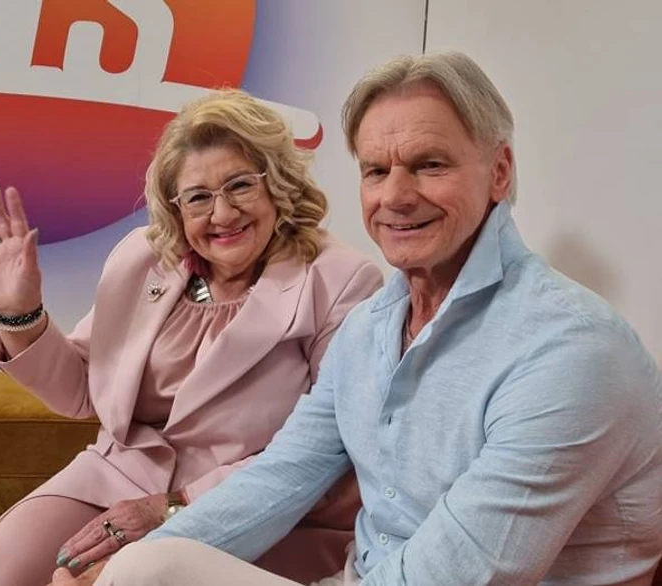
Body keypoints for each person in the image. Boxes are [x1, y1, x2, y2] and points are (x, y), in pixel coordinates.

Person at [73, 51, 662, 586]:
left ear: (499, 171)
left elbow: (460, 574)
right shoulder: (369, 327)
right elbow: (282, 475)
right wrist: (117, 570)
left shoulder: (573, 351)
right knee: (143, 568)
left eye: (430, 165)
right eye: (376, 171)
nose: (396, 197)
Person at [0, 89, 383, 586]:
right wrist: (20, 313)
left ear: (278, 186)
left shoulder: (340, 280)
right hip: (124, 475)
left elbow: (332, 448)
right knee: (11, 564)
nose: (222, 214)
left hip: (258, 503)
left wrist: (170, 508)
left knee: (110, 580)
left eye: (240, 186)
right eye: (199, 197)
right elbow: (81, 391)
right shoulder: (143, 258)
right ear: (176, 207)